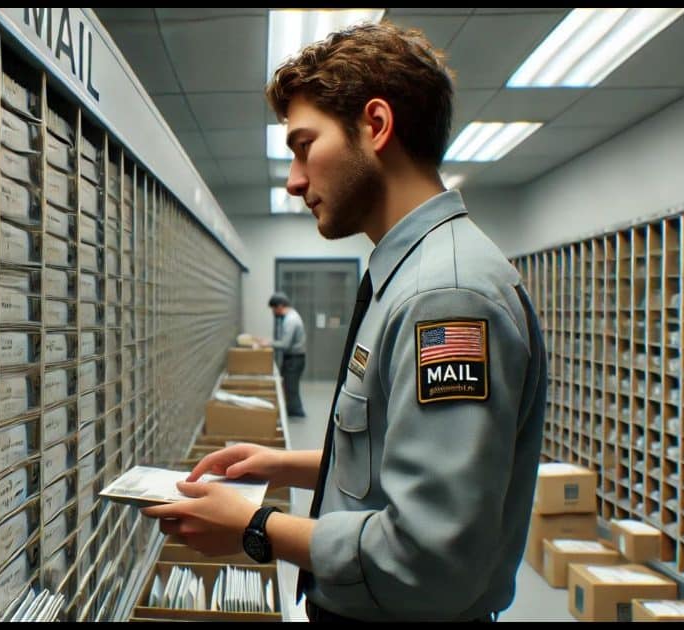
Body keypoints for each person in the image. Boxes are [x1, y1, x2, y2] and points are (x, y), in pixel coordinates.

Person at [140, 21, 548, 622]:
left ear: (376, 126)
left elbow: (426, 558)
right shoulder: (411, 275)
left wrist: (256, 526)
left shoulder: (445, 296)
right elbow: (393, 453)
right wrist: (284, 465)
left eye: (305, 146)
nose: (296, 180)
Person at [261, 292, 307, 418]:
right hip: (294, 358)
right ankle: (293, 411)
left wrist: (268, 343)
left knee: (291, 389)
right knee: (289, 387)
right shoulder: (291, 317)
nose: (273, 313)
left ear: (280, 306)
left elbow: (285, 344)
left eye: (273, 309)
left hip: (294, 359)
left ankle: (296, 413)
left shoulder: (291, 320)